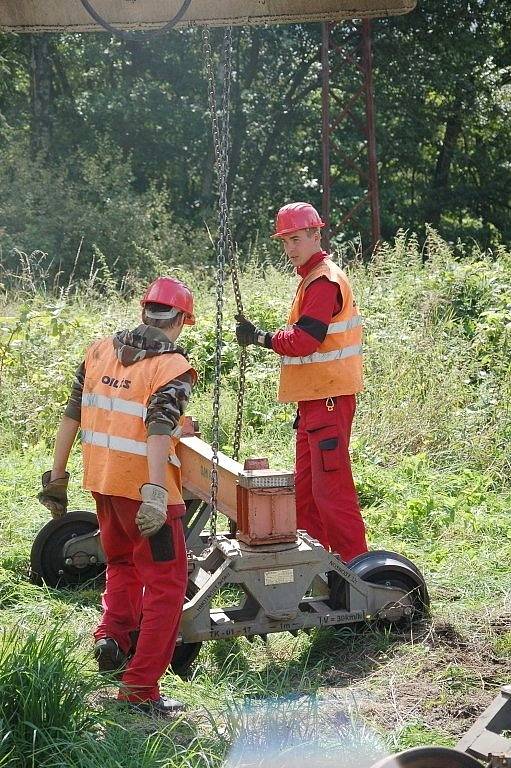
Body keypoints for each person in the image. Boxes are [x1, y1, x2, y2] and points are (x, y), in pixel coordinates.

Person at [38, 276, 197, 715]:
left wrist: (57, 476)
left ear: (145, 311)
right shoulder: (172, 366)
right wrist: (153, 494)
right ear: (180, 320)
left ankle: (111, 638)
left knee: (122, 563)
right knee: (167, 587)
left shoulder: (99, 350)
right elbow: (158, 426)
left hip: (103, 482)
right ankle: (141, 689)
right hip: (145, 493)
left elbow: (74, 412)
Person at [235, 202, 368, 563]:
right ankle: (319, 566)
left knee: (331, 492)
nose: (290, 248)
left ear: (315, 234)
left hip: (328, 401)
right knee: (307, 494)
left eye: (295, 239)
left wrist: (261, 337)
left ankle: (356, 569)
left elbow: (305, 341)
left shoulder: (324, 281)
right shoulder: (311, 279)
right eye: (284, 242)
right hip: (314, 403)